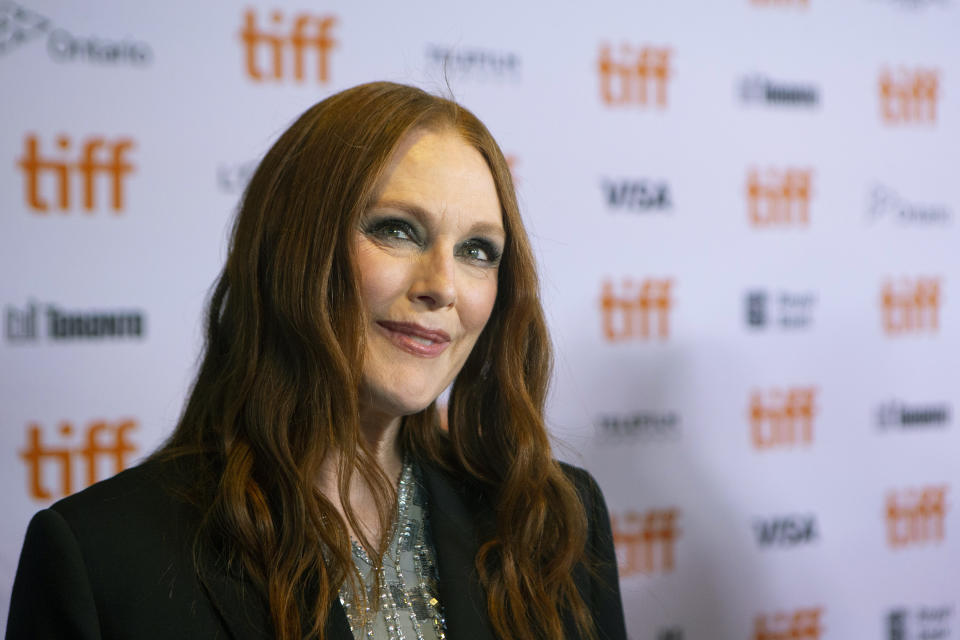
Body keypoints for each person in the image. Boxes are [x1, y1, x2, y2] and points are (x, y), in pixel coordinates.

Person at [7, 82, 626, 640]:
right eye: (396, 229)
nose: (444, 285)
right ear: (294, 250)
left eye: (477, 250)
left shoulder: (551, 521)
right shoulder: (100, 557)